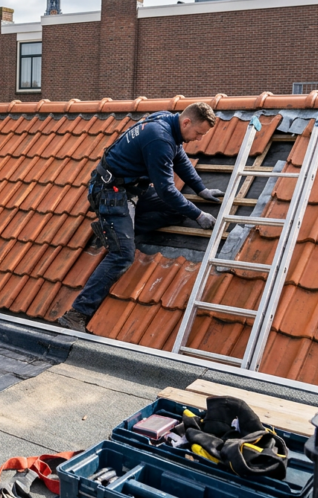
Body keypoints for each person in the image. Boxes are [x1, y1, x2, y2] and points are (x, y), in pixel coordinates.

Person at [57, 102, 222, 333]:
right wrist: (198, 214)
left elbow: (180, 159)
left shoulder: (168, 121)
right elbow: (166, 189)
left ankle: (121, 228)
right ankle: (76, 314)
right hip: (111, 193)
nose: (199, 139)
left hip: (134, 189)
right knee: (123, 255)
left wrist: (200, 189)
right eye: (198, 133)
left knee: (176, 210)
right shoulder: (160, 139)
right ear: (186, 122)